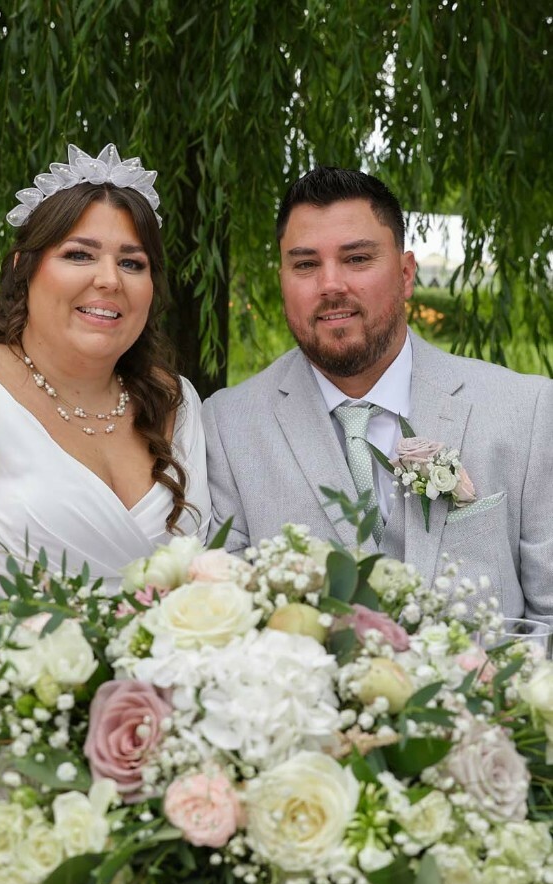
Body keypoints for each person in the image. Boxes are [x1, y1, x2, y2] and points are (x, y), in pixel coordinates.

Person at [203, 165, 553, 624]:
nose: (330, 285)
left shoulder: (526, 411)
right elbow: (226, 622)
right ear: (283, 278)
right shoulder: (227, 426)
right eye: (306, 264)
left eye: (357, 259)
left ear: (406, 274)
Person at [0, 144, 210, 619]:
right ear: (25, 268)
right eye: (79, 255)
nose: (110, 280)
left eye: (132, 262)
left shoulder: (175, 399)